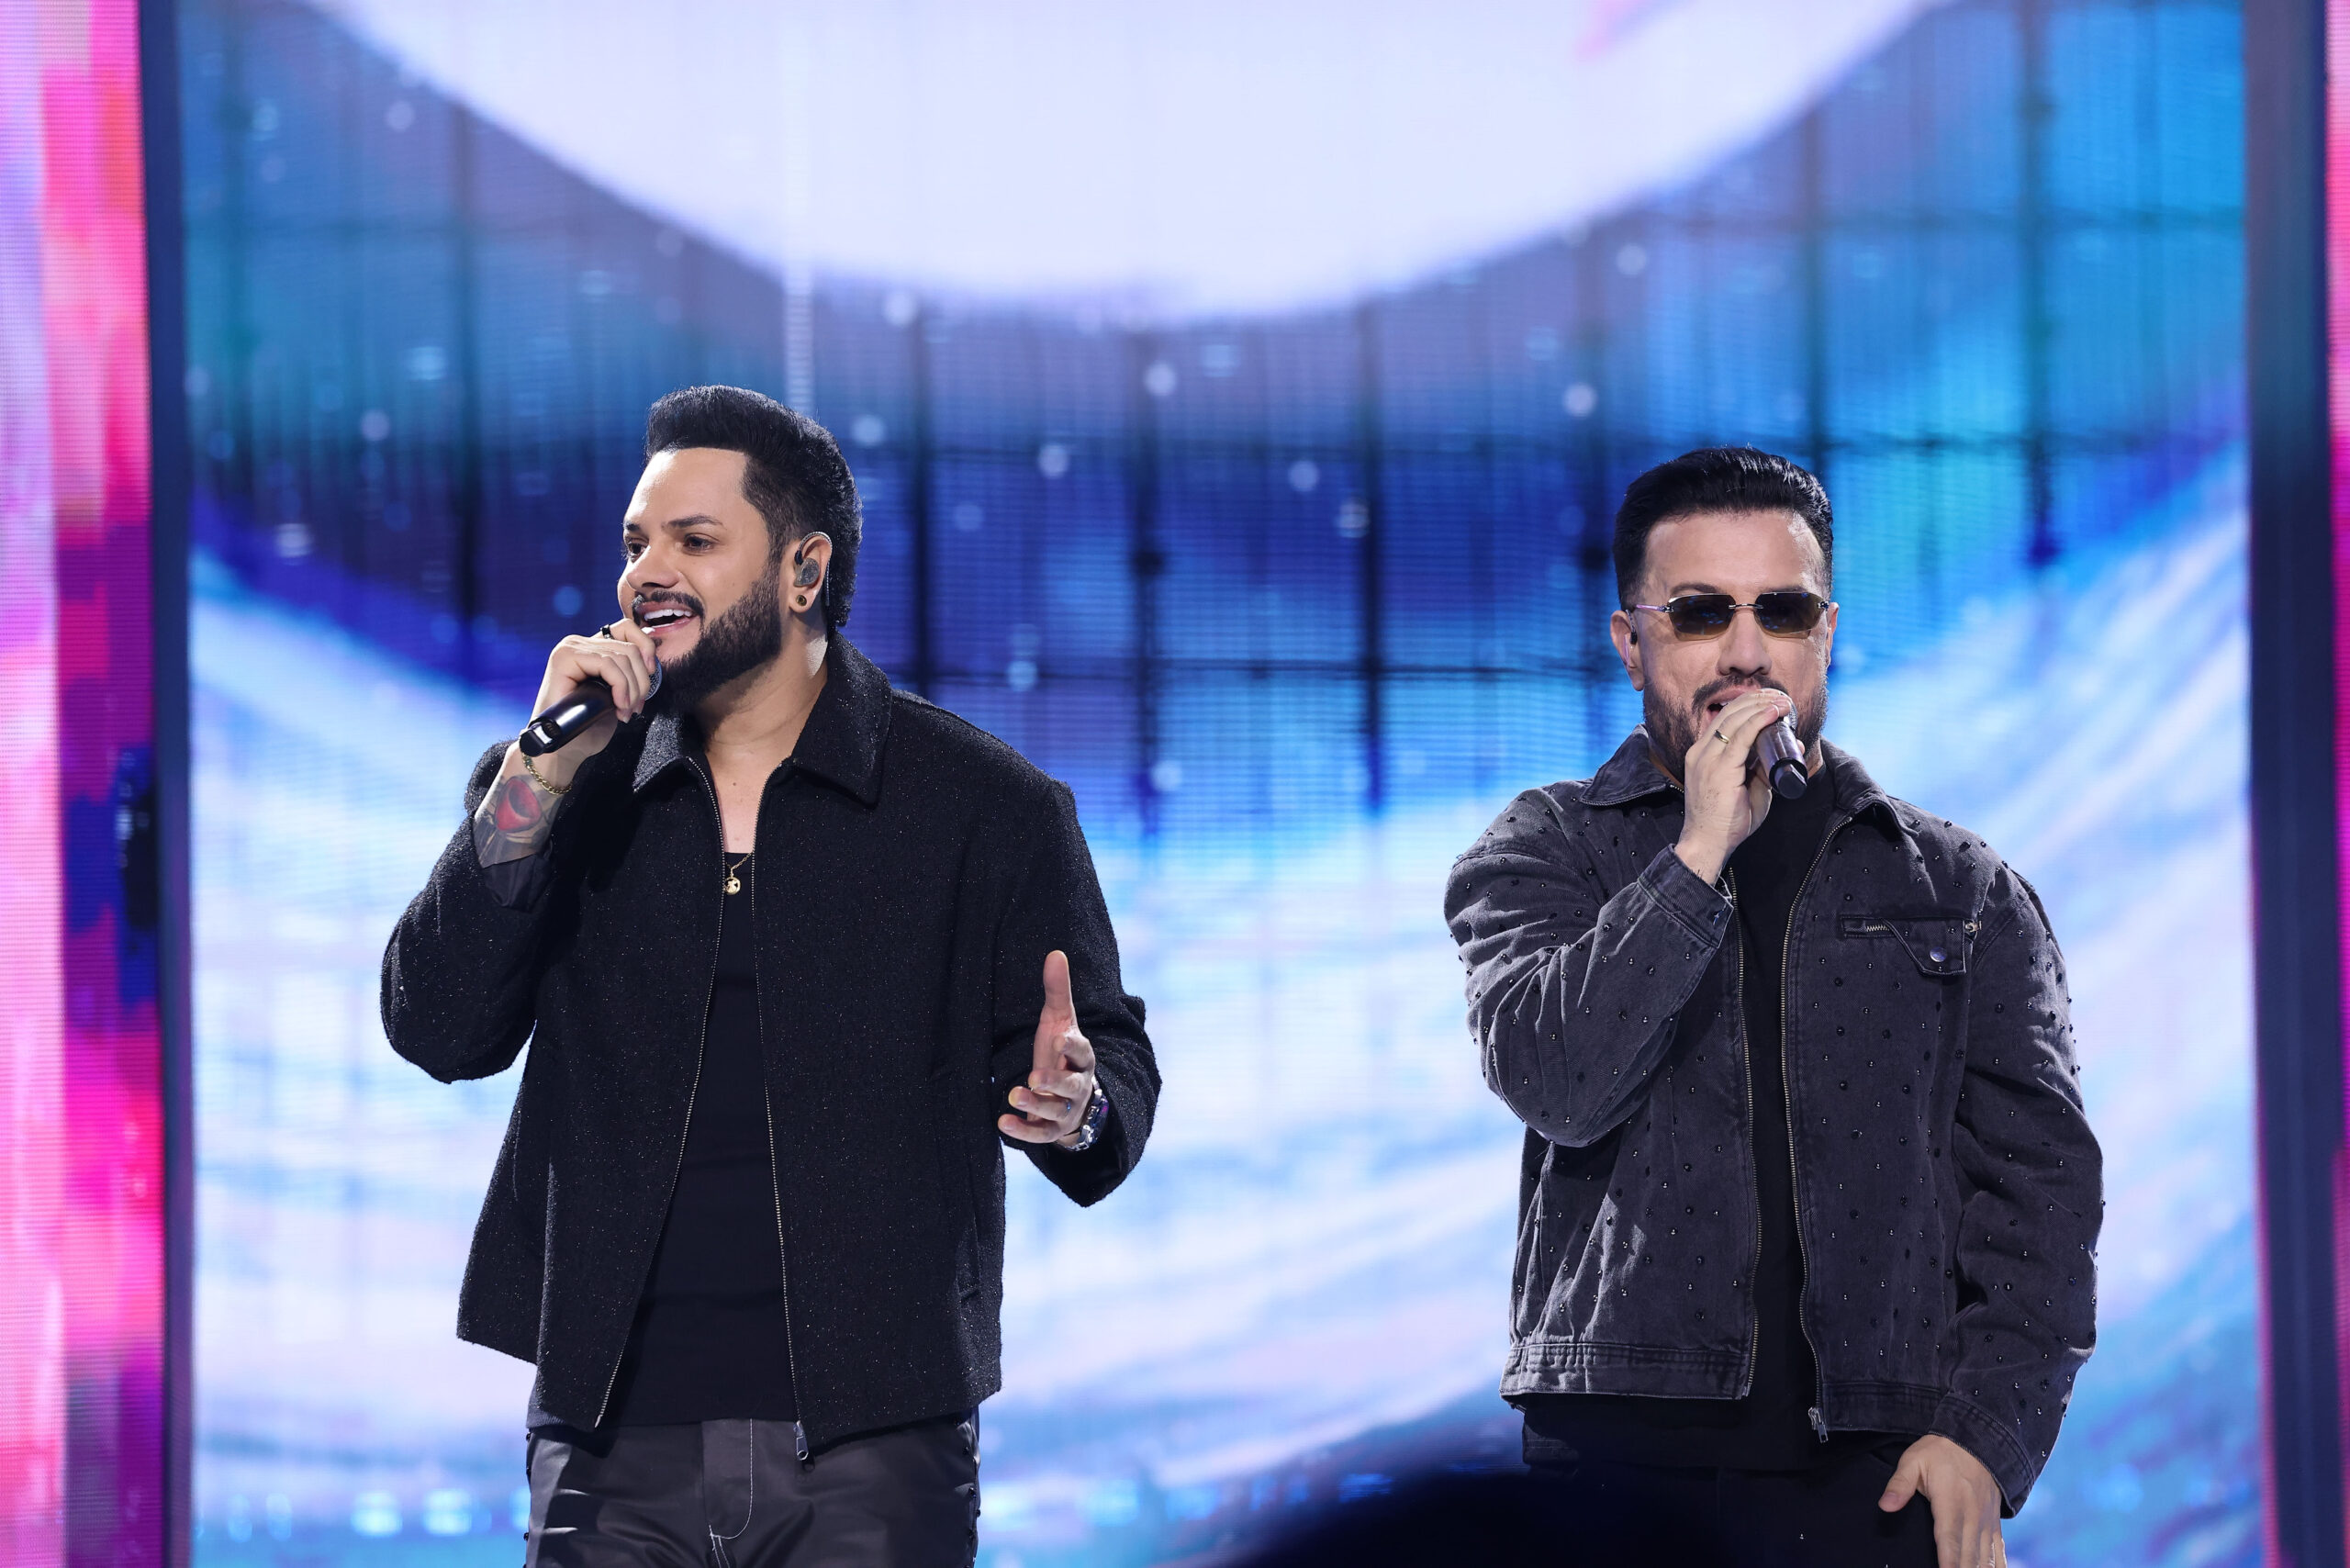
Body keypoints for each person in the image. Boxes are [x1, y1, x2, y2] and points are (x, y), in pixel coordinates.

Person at [382, 385, 1158, 1566]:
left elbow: (1108, 1072)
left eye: (694, 541)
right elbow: (435, 1024)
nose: (647, 574)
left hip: (872, 1450)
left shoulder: (982, 807)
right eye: (636, 544)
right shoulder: (558, 785)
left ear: (804, 572)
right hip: (607, 1445)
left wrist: (1078, 1105)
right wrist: (537, 773)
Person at [1444, 448, 2100, 1568]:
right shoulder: (1546, 848)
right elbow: (1556, 1080)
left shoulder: (1957, 884)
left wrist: (1984, 1437)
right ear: (1631, 642)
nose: (1746, 652)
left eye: (1781, 611)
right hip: (1617, 1464)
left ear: (1825, 633)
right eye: (1702, 612)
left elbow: (2042, 1192)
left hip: (1878, 1471)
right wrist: (1697, 852)